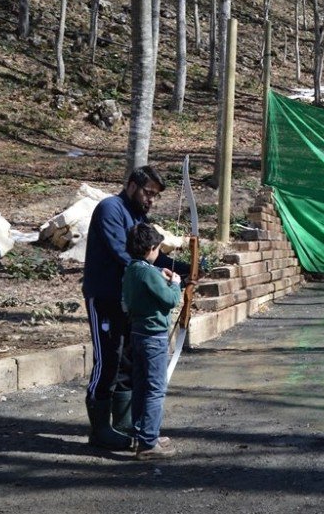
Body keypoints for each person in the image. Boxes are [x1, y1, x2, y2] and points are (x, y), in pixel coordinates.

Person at [82, 165, 187, 450]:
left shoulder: (139, 216)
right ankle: (100, 429)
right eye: (147, 192)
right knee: (108, 361)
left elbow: (148, 256)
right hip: (104, 296)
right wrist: (158, 279)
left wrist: (185, 269)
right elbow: (125, 254)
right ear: (131, 185)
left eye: (155, 195)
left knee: (128, 362)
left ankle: (127, 423)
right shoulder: (110, 208)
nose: (151, 199)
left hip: (130, 302)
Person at [122, 223, 181, 460]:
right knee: (155, 389)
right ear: (151, 248)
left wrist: (160, 275)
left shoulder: (133, 270)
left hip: (136, 334)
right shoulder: (148, 272)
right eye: (157, 248)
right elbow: (169, 300)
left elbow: (146, 285)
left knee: (141, 386)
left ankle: (144, 433)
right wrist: (175, 283)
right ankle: (148, 443)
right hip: (153, 338)